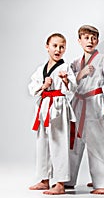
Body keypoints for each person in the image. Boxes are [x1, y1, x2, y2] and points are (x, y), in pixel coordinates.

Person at [64, 25, 104, 194]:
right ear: (79, 41)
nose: (90, 41)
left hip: (93, 103)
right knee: (73, 142)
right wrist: (81, 73)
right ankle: (68, 180)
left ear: (97, 41)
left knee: (98, 143)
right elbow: (69, 85)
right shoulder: (75, 63)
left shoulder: (103, 59)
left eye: (93, 38)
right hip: (77, 103)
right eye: (86, 38)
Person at [28, 33, 77, 195]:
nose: (58, 49)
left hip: (58, 107)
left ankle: (61, 182)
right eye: (55, 46)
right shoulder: (40, 69)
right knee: (43, 143)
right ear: (47, 46)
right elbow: (32, 88)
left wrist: (65, 80)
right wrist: (44, 85)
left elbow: (73, 88)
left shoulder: (65, 68)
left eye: (62, 47)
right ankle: (44, 179)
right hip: (44, 107)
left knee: (58, 143)